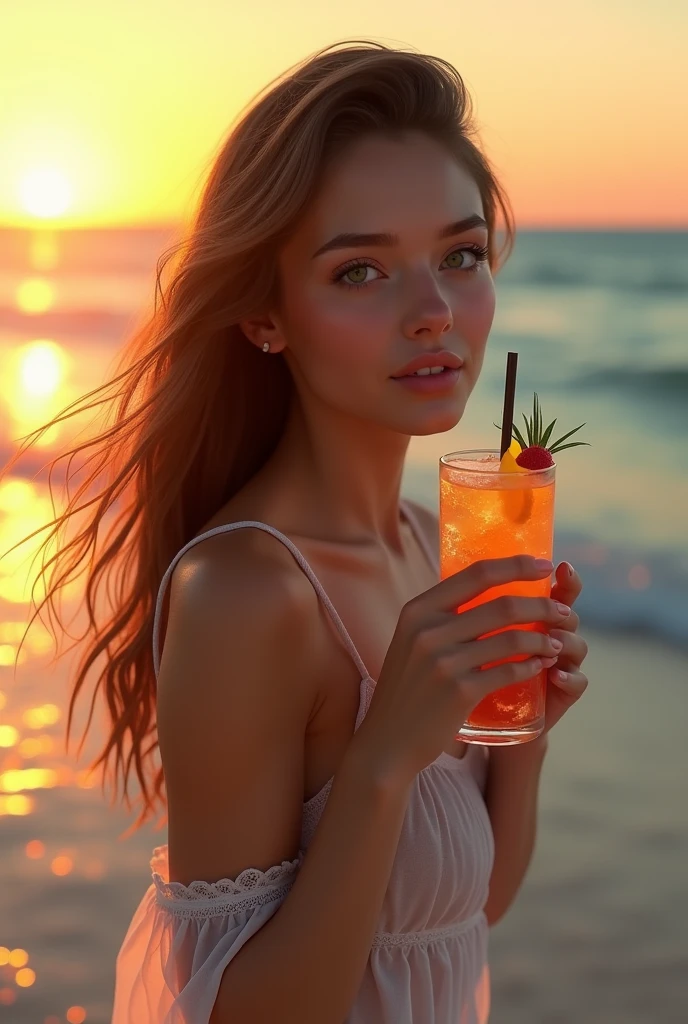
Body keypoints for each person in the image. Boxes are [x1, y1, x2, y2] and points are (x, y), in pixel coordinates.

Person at [6, 39, 589, 1024]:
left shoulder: (425, 545)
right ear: (267, 315)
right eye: (361, 271)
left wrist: (520, 732)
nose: (436, 312)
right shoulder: (246, 591)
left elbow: (462, 915)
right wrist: (378, 762)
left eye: (459, 255)